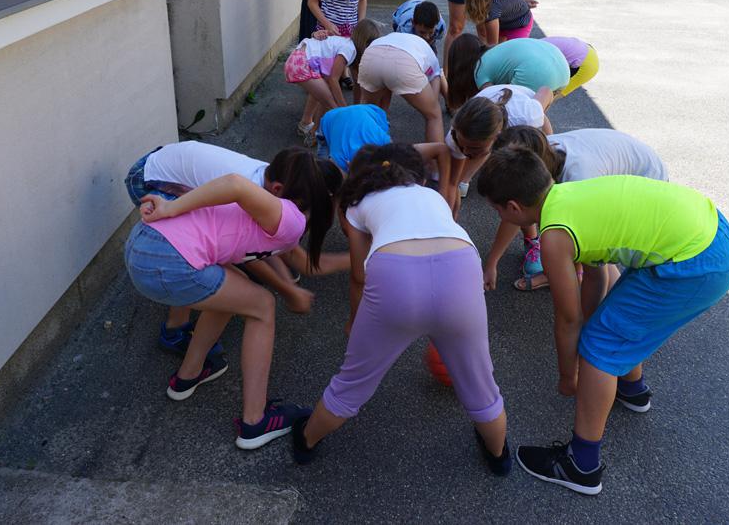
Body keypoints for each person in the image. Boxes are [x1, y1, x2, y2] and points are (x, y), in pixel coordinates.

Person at [477, 148, 729, 495]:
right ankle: (631, 389)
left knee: (599, 346)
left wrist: (568, 375)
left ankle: (581, 465)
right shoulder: (569, 194)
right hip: (711, 230)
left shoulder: (554, 236)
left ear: (513, 207)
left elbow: (568, 319)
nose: (499, 215)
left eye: (496, 209)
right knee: (614, 322)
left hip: (696, 261)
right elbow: (597, 277)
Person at [290, 144, 511, 476]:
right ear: (413, 176)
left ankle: (307, 441)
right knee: (481, 383)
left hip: (396, 274)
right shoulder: (431, 195)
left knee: (353, 382)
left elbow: (359, 275)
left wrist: (355, 321)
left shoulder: (356, 204)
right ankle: (498, 455)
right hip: (462, 264)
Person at [125, 149, 342, 449]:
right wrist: (170, 209)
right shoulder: (290, 217)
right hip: (168, 259)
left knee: (235, 291)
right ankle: (255, 421)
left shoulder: (264, 206)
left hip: (141, 247)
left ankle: (189, 375)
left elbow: (285, 257)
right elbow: (235, 184)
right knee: (262, 306)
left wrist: (289, 287)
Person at [124, 144, 344, 353]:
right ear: (279, 190)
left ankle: (181, 317)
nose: (300, 215)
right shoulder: (249, 189)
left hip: (168, 164)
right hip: (152, 177)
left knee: (208, 253)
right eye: (301, 208)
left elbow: (273, 246)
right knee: (195, 247)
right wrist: (287, 290)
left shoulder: (281, 177)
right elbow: (244, 254)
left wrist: (286, 281)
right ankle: (175, 329)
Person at [484, 126, 668, 293]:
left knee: (597, 249)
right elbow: (513, 213)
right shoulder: (536, 149)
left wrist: (577, 264)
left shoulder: (579, 178)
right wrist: (492, 263)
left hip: (647, 184)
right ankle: (566, 272)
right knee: (557, 227)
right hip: (625, 166)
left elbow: (594, 248)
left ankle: (605, 297)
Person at [442, 85, 553, 215]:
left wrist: (549, 138)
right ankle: (466, 178)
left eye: (473, 147)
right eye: (462, 145)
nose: (465, 151)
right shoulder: (457, 133)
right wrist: (449, 218)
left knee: (528, 177)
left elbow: (547, 91)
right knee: (457, 173)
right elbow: (452, 184)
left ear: (497, 137)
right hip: (495, 114)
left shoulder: (527, 117)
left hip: (529, 105)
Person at [357, 30, 445, 144]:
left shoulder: (395, 37)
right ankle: (435, 154)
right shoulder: (432, 59)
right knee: (434, 115)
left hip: (372, 55)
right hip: (404, 62)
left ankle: (365, 150)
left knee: (369, 112)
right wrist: (431, 107)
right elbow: (434, 93)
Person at [446, 35, 569, 112]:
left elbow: (493, 100)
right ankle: (545, 139)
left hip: (537, 70)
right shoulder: (494, 51)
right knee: (536, 113)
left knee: (513, 112)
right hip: (563, 68)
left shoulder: (479, 72)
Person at [284, 29, 354, 146]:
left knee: (325, 98)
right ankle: (345, 138)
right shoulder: (349, 48)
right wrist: (344, 109)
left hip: (297, 60)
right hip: (301, 64)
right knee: (332, 105)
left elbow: (330, 81)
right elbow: (333, 79)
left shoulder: (341, 42)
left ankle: (311, 130)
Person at [317, 104, 391, 173]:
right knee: (326, 171)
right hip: (330, 118)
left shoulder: (385, 142)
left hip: (368, 111)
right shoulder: (339, 160)